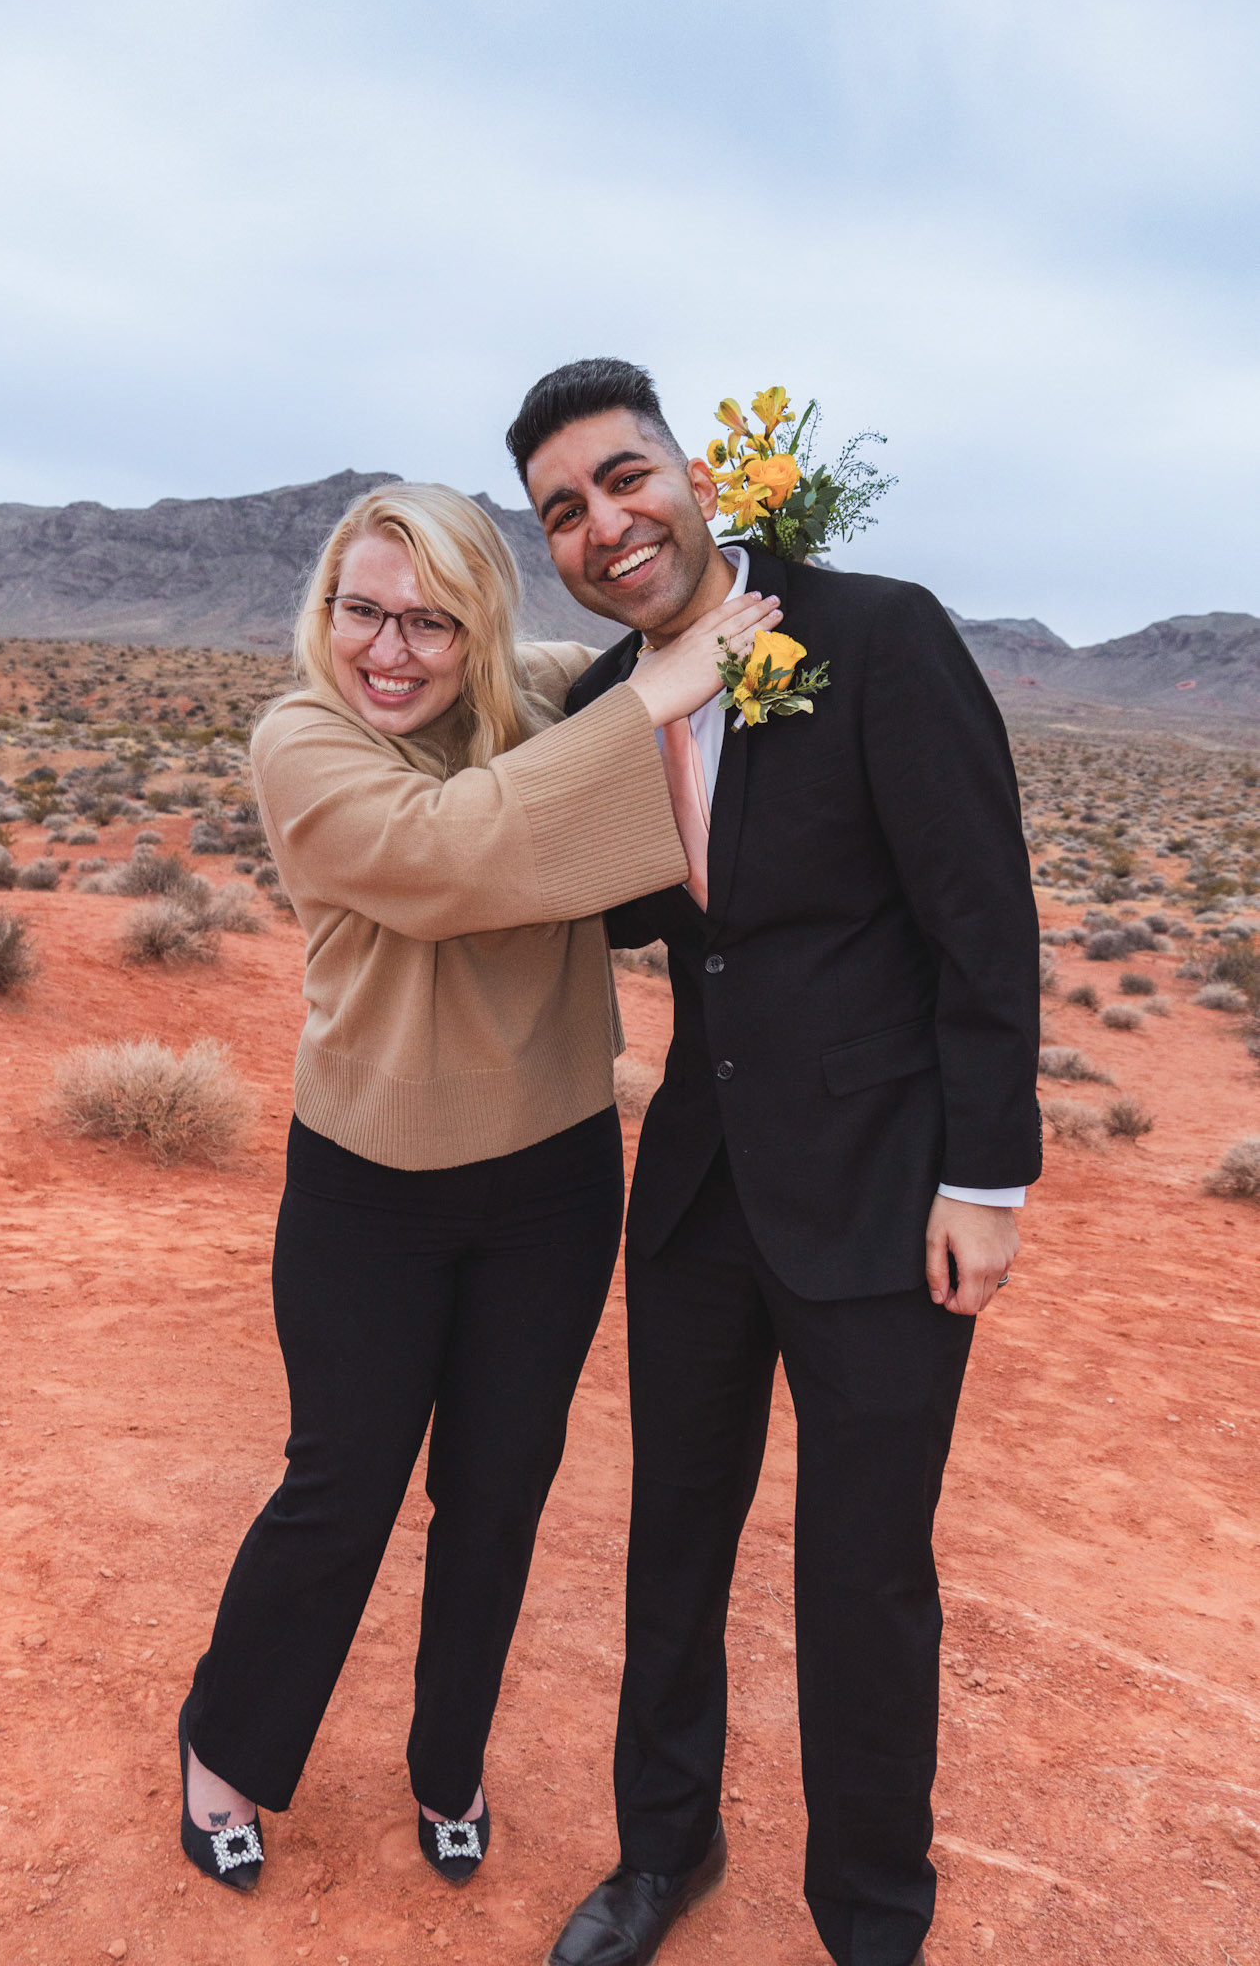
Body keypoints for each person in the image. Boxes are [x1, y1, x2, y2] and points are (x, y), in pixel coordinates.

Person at [503, 361, 1042, 1966]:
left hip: (885, 1195)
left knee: (862, 1576)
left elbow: (980, 916)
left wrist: (985, 1181)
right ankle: (662, 1853)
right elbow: (589, 892)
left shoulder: (875, 636)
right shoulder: (608, 705)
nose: (605, 525)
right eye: (562, 512)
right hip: (694, 1192)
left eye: (623, 477)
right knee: (671, 1541)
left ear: (690, 475)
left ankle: (871, 1918)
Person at [176, 481, 782, 1894]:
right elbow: (459, 849)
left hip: (550, 1177)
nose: (390, 650)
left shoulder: (544, 697)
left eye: (431, 622)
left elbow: (669, 633)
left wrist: (744, 542)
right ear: (326, 611)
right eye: (363, 612)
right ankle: (227, 1745)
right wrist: (653, 701)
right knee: (341, 1489)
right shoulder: (305, 738)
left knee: (499, 1492)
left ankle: (448, 1760)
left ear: (481, 628)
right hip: (367, 1184)